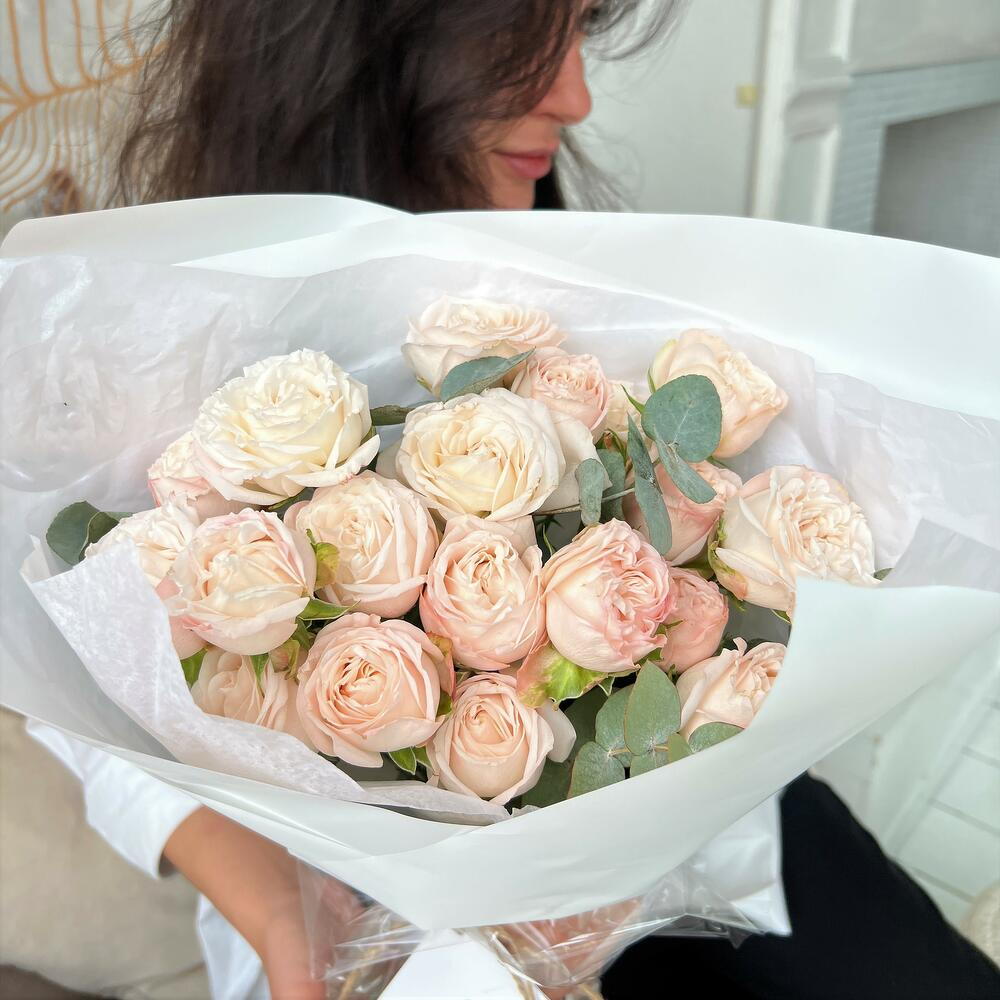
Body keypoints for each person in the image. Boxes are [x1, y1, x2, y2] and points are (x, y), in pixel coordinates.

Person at [37, 1, 1000, 998]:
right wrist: (285, 912)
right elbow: (90, 687)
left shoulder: (580, 274)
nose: (576, 97)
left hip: (705, 824)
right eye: (524, 38)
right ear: (366, 43)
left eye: (581, 27)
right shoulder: (163, 337)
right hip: (367, 919)